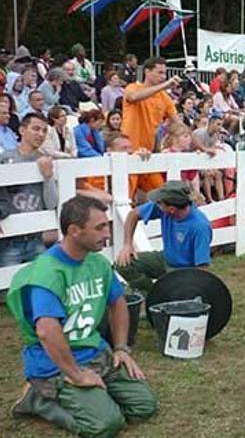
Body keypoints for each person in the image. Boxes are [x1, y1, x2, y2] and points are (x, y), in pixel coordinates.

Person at [7, 196, 157, 436]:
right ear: (74, 231)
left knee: (144, 406)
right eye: (100, 227)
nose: (108, 233)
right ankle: (38, 400)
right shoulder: (47, 273)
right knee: (106, 425)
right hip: (57, 363)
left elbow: (118, 302)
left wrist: (121, 348)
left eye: (107, 225)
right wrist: (75, 375)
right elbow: (46, 331)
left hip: (95, 352)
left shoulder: (97, 263)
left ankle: (94, 395)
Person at [115, 180, 213, 294]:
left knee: (176, 298)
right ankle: (152, 294)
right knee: (123, 264)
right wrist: (127, 244)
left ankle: (159, 296)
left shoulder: (200, 226)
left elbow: (202, 267)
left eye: (159, 203)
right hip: (166, 259)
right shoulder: (165, 207)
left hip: (185, 272)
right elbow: (133, 214)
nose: (156, 204)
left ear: (171, 209)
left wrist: (194, 288)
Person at [0, 114, 59, 267]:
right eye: (36, 129)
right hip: (9, 238)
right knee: (9, 287)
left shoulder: (47, 161)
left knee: (40, 283)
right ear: (22, 130)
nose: (40, 134)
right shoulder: (5, 158)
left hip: (36, 238)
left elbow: (52, 203)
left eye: (44, 131)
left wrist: (48, 177)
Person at [121, 57, 180, 195]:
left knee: (164, 195)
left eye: (164, 73)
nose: (163, 77)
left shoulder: (165, 97)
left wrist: (198, 146)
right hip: (129, 152)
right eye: (159, 72)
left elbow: (178, 124)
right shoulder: (133, 87)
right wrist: (165, 86)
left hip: (147, 155)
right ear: (147, 71)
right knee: (125, 198)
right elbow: (134, 97)